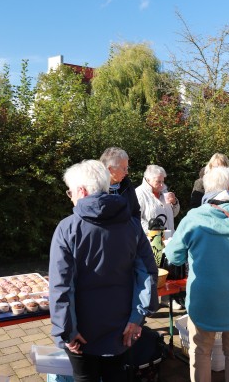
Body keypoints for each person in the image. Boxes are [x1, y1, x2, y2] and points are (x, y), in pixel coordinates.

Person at [48, 160, 159, 382]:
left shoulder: (67, 228)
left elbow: (61, 285)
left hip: (82, 333)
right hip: (123, 328)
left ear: (81, 190)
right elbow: (147, 273)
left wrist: (66, 330)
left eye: (70, 191)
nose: (69, 197)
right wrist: (137, 318)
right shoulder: (132, 225)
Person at [164, 166, 229, 382]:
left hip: (204, 298)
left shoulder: (193, 218)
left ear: (206, 190)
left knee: (200, 351)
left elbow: (174, 257)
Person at [100, 147, 141, 220]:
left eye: (127, 168)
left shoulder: (127, 185)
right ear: (110, 169)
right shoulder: (96, 189)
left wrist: (134, 229)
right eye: (123, 168)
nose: (127, 172)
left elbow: (135, 212)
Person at [136, 165, 180, 232]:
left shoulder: (164, 191)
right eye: (158, 181)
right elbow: (135, 219)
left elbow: (174, 214)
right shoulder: (139, 193)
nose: (162, 185)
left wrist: (174, 202)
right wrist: (153, 229)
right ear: (148, 180)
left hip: (169, 238)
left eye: (163, 181)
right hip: (151, 239)